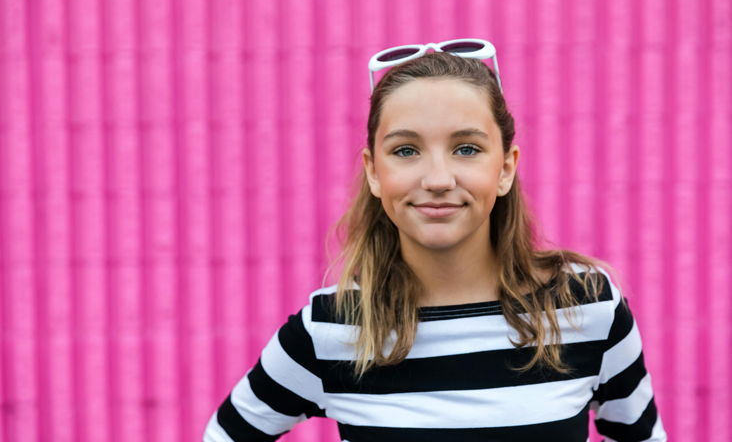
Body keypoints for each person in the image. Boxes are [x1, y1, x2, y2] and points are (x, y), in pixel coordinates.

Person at [202, 42, 667, 442]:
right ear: (373, 172)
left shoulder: (588, 307)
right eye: (406, 150)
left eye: (467, 148)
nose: (438, 179)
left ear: (505, 168)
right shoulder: (327, 331)